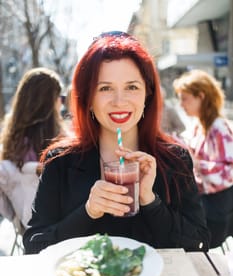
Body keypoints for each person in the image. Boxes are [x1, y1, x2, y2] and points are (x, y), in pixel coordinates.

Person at [23, 31, 210, 254]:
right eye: (105, 88)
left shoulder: (176, 160)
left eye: (132, 87)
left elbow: (200, 243)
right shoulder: (60, 162)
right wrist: (88, 211)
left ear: (147, 95)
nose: (119, 101)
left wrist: (150, 201)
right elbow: (34, 246)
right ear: (88, 99)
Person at [0, 67, 67, 228]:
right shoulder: (63, 144)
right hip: (64, 228)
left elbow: (5, 206)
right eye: (61, 97)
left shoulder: (11, 147)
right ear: (50, 102)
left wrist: (16, 220)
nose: (62, 103)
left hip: (27, 228)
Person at [173, 69, 233, 248]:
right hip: (205, 200)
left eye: (185, 98)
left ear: (201, 96)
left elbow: (229, 171)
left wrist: (197, 164)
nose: (181, 104)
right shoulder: (198, 125)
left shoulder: (219, 128)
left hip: (217, 205)